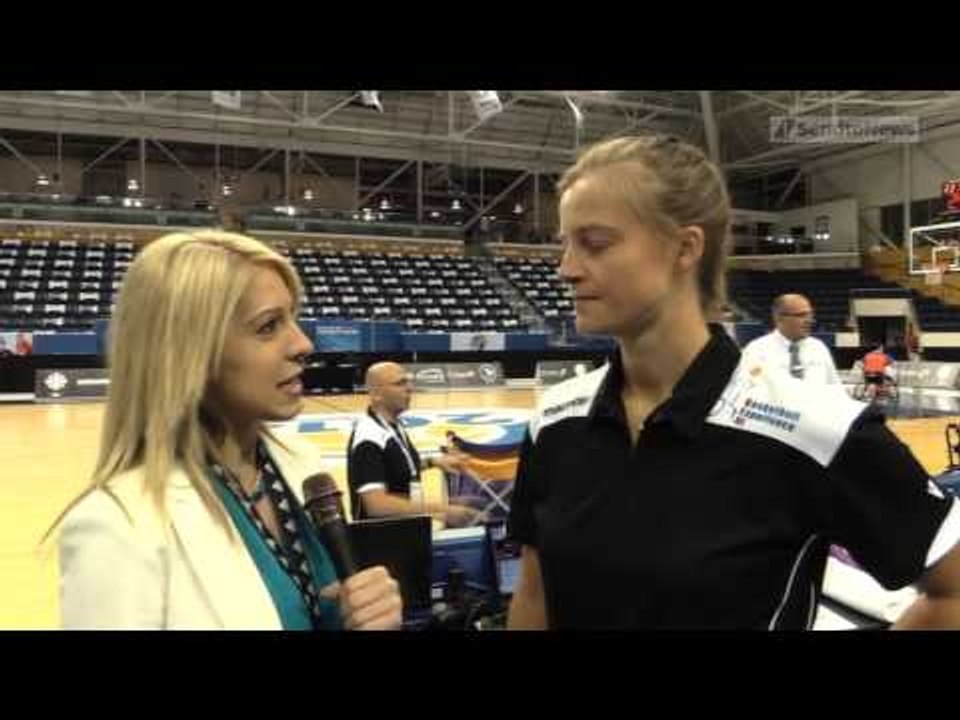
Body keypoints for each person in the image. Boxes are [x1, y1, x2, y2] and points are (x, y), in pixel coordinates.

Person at [506, 135, 960, 630]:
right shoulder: (555, 421)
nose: (566, 269)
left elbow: (952, 593)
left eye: (594, 243)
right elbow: (534, 598)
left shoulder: (816, 427)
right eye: (564, 245)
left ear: (685, 247)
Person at [51, 230, 402, 630]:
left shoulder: (298, 461)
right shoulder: (117, 528)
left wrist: (368, 614)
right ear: (189, 352)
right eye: (269, 326)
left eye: (294, 318)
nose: (303, 343)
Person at [347, 361, 481, 526]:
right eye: (400, 384)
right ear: (376, 394)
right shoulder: (368, 438)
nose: (409, 388)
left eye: (407, 382)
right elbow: (376, 505)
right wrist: (443, 510)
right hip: (380, 540)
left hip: (407, 530)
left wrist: (433, 462)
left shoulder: (393, 426)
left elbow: (397, 468)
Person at [740, 293, 842, 386]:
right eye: (801, 315)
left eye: (810, 315)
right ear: (778, 317)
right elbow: (750, 390)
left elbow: (834, 388)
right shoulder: (757, 350)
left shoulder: (818, 348)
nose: (809, 321)